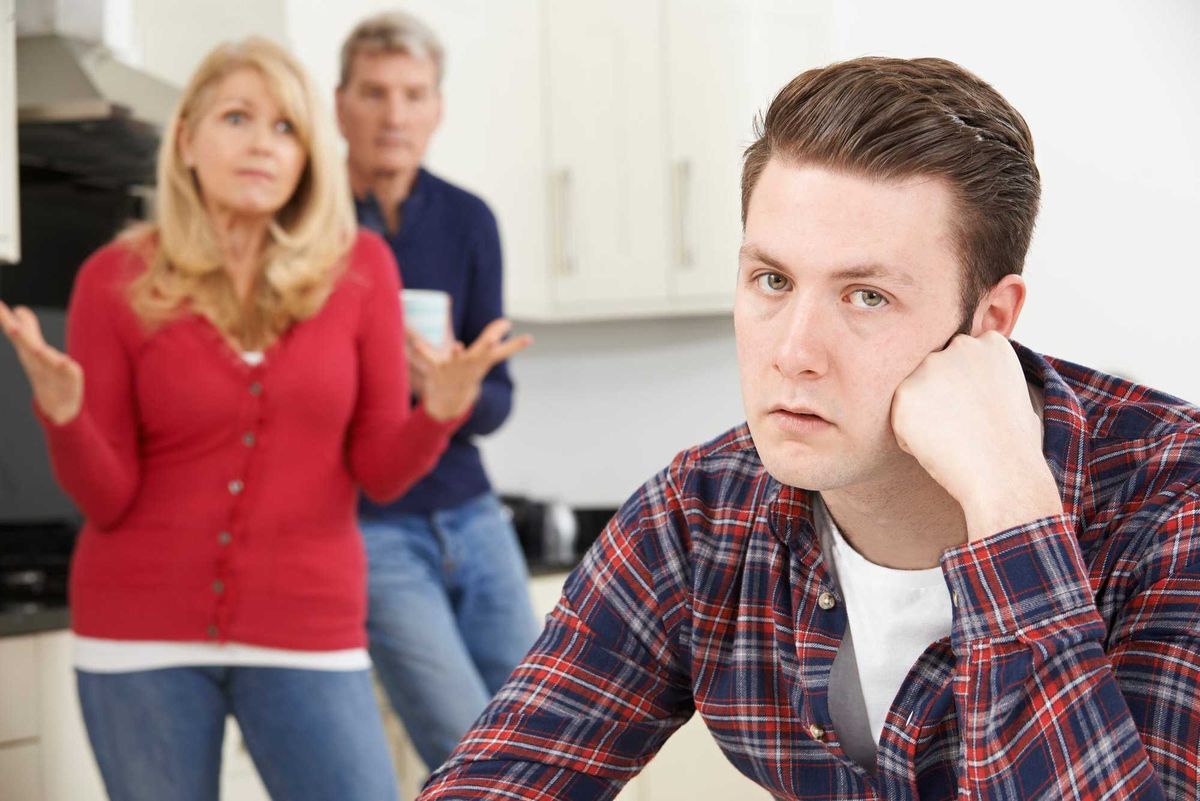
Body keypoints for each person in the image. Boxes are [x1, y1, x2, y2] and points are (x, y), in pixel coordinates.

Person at [418, 57, 1200, 800]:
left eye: (865, 297)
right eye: (772, 280)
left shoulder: (1173, 506)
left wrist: (1009, 505)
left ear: (989, 321)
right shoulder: (701, 515)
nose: (792, 353)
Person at [0, 36, 526, 801]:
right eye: (237, 118)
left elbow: (378, 467)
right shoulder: (114, 278)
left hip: (307, 625)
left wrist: (439, 411)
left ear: (308, 155)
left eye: (285, 128)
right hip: (139, 633)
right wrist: (65, 414)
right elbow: (106, 498)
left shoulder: (360, 272)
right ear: (185, 140)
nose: (261, 144)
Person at [334, 11, 542, 772]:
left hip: (472, 513)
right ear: (339, 104)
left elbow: (499, 400)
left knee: (551, 736)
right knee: (470, 758)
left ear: (437, 109)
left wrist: (448, 393)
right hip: (373, 527)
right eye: (376, 92)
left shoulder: (467, 221)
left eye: (413, 94)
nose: (395, 114)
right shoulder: (308, 226)